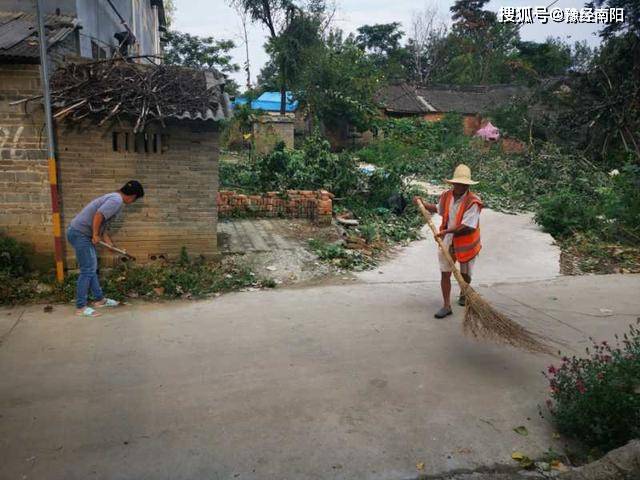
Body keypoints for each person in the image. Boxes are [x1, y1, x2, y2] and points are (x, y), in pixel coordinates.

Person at [66, 181, 144, 317]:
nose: (133, 202)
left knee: (91, 268)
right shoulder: (116, 200)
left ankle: (99, 300)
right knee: (88, 269)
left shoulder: (115, 198)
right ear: (133, 196)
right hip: (80, 233)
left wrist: (109, 244)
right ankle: (81, 307)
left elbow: (103, 225)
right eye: (135, 199)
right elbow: (98, 215)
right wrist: (95, 234)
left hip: (80, 233)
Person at [416, 164, 483, 319]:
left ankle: (464, 292)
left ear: (467, 185)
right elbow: (439, 208)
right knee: (445, 272)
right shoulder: (447, 195)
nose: (460, 186)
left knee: (465, 275)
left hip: (466, 243)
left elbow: (467, 226)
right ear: (453, 183)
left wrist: (447, 231)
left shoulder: (474, 201)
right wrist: (423, 204)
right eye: (457, 183)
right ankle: (446, 306)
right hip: (448, 240)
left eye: (463, 184)